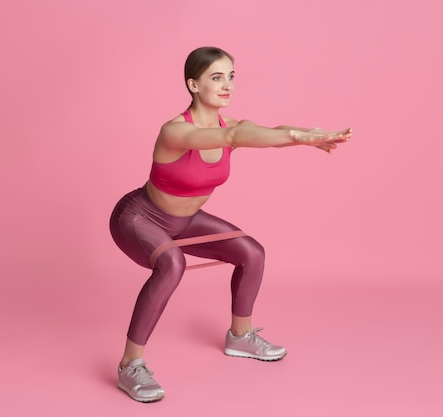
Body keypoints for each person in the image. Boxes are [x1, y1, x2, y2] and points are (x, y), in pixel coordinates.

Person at [109, 46, 351, 402]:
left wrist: (310, 134)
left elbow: (265, 130)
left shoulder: (232, 125)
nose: (228, 86)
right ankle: (130, 365)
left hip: (185, 221)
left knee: (251, 252)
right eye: (217, 78)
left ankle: (240, 336)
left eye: (232, 76)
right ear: (193, 85)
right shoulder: (176, 131)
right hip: (138, 217)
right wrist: (300, 138)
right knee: (171, 264)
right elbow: (232, 139)